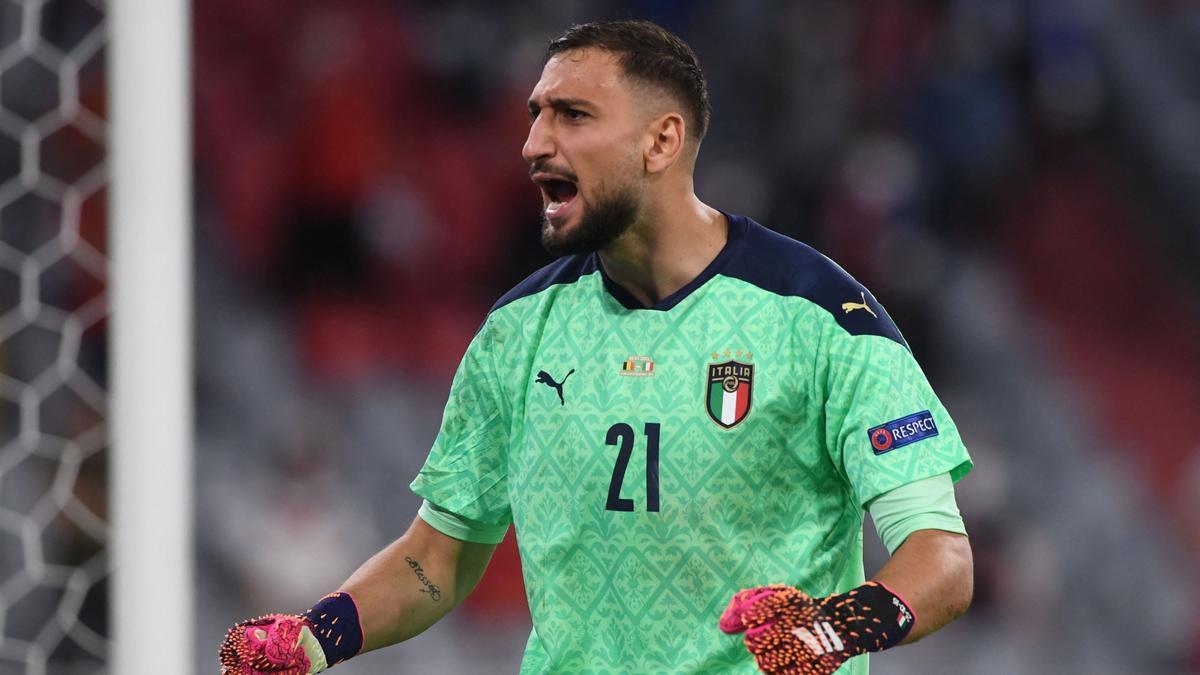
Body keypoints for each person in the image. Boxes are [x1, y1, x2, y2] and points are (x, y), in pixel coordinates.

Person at [220, 19, 974, 675]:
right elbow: (435, 561)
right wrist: (316, 637)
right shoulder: (519, 332)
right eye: (535, 116)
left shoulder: (821, 317)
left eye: (572, 116)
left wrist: (833, 627)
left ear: (662, 141)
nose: (534, 144)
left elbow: (942, 558)